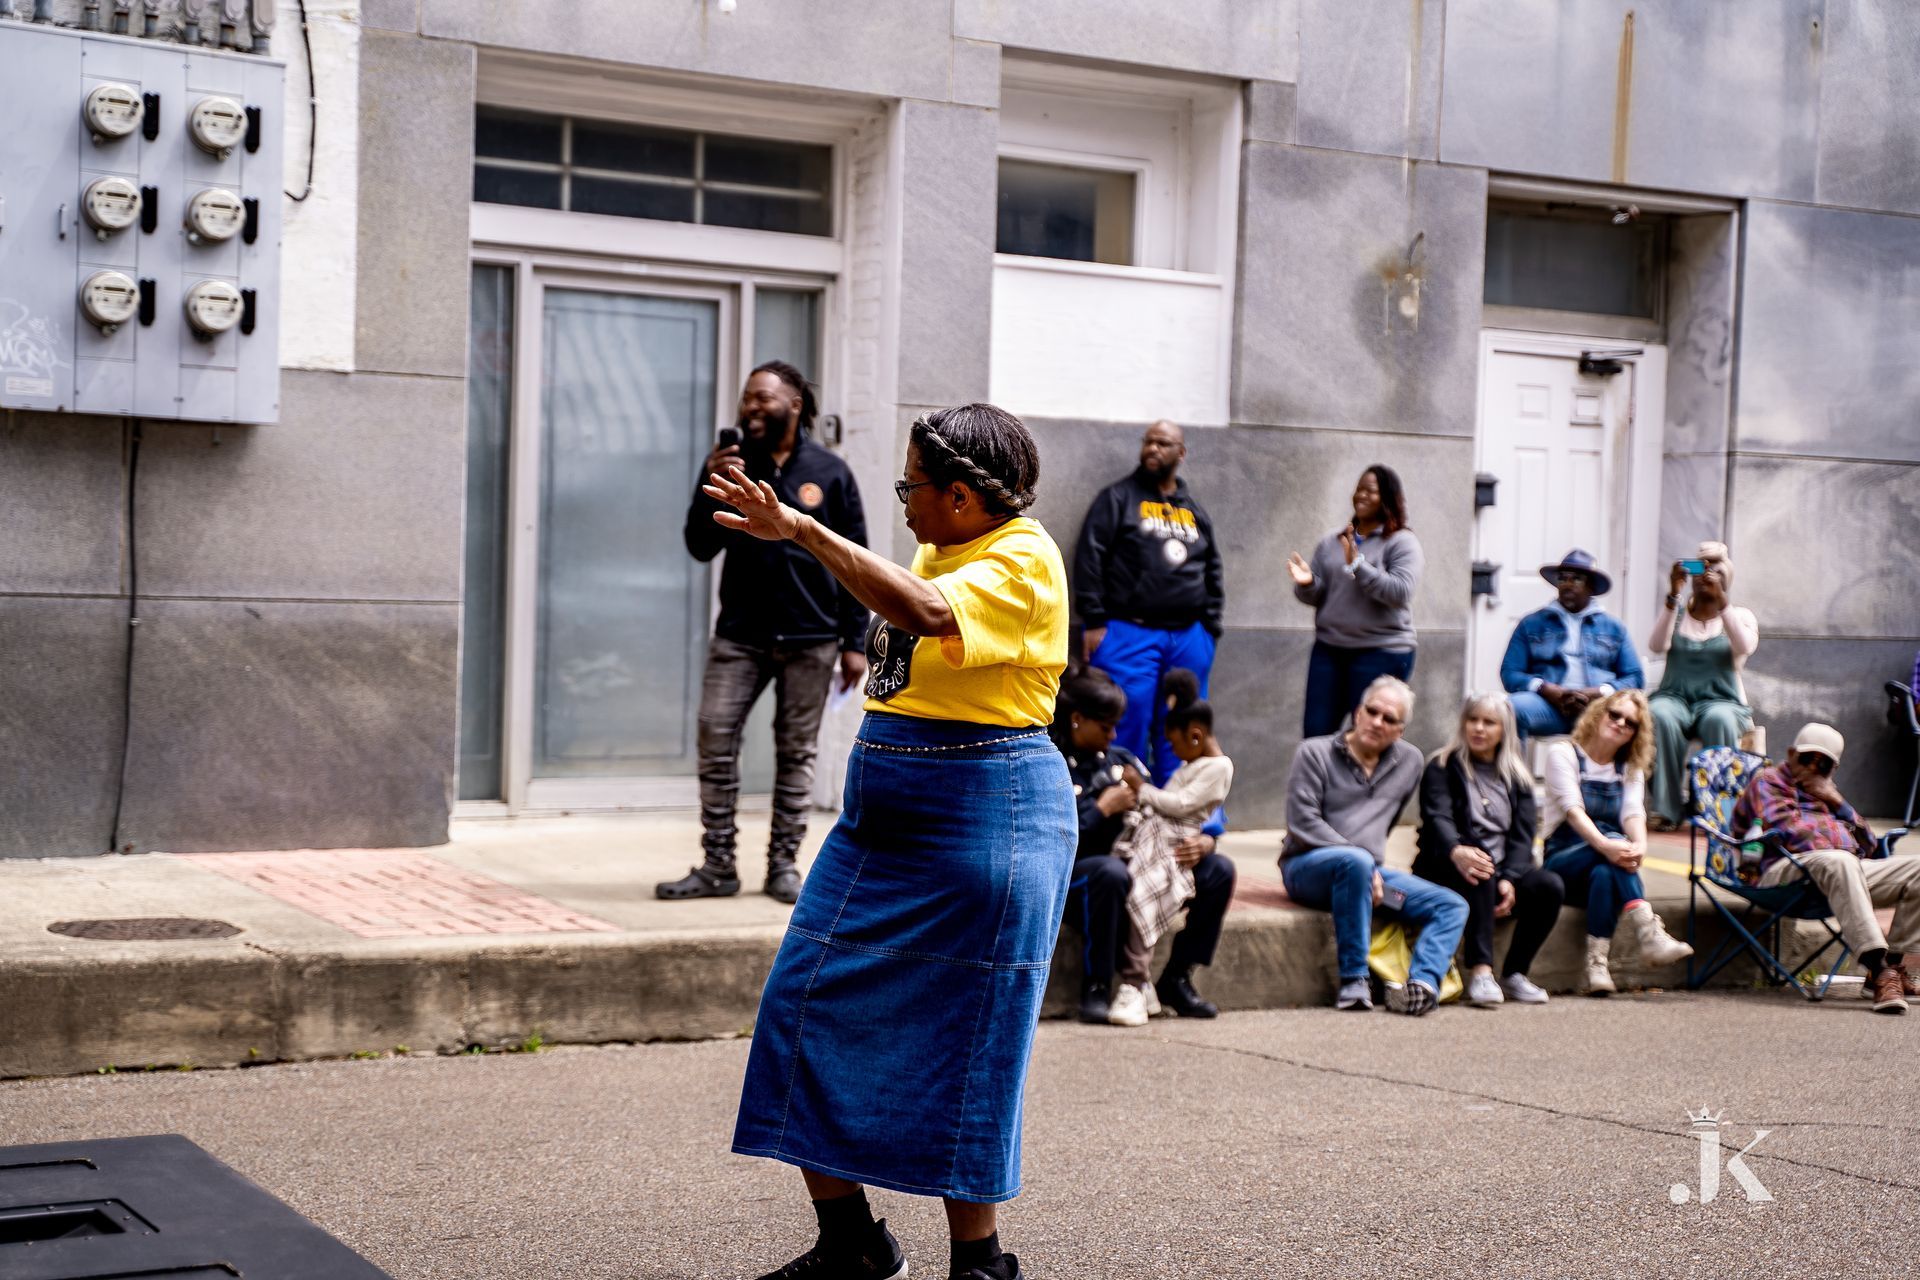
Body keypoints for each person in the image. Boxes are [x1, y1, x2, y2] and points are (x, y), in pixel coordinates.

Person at [712, 403, 1071, 1280]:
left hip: (986, 817)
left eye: (912, 484)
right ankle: (853, 1246)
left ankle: (980, 1262)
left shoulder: (1024, 557)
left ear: (959, 495)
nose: (902, 498)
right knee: (802, 1002)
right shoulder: (941, 541)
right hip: (882, 829)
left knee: (970, 1034)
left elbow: (925, 613)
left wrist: (802, 529)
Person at [663, 361, 869, 905]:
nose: (750, 407)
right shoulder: (732, 467)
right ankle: (718, 865)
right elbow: (699, 546)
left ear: (794, 404)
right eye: (746, 399)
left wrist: (855, 642)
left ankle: (783, 866)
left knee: (796, 753)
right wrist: (710, 487)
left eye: (762, 398)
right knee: (715, 739)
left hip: (812, 637)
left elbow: (853, 561)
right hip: (740, 635)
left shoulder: (831, 472)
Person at [1055, 669, 1233, 1028]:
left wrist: (1205, 842)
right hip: (1083, 876)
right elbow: (1052, 834)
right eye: (1105, 727)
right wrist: (1101, 809)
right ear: (1077, 720)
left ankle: (1177, 978)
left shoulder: (1122, 759)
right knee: (1111, 873)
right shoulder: (1053, 763)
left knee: (1219, 870)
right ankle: (1098, 985)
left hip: (1141, 866)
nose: (1114, 735)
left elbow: (1167, 814)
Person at [1279, 676, 1465, 1016]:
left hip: (1371, 878)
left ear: (1400, 730)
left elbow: (1385, 821)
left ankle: (1422, 984)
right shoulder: (1314, 752)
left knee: (1451, 905)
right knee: (1356, 865)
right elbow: (1302, 823)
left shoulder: (1409, 762)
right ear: (1357, 712)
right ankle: (1354, 980)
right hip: (1306, 868)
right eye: (1372, 711)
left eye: (1389, 718)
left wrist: (1365, 866)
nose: (1377, 722)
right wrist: (1360, 860)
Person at [1074, 420, 1225, 784]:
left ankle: (1182, 814)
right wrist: (1094, 619)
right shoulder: (1118, 499)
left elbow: (1213, 567)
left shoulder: (1193, 510)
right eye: (1149, 442)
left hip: (1188, 637)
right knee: (1123, 723)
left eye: (1164, 443)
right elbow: (1090, 558)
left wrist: (1209, 629)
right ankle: (1120, 812)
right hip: (1129, 632)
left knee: (1183, 727)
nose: (1153, 449)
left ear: (1181, 452)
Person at [1732, 723, 1919, 1015]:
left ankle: (1890, 969)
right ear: (1791, 754)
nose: (1813, 769)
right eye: (1808, 759)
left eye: (1825, 764)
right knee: (1840, 860)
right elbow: (1790, 833)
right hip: (1783, 871)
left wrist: (1838, 802)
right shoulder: (1767, 782)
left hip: (1840, 871)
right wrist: (1840, 841)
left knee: (1916, 868)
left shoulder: (1829, 795)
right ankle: (1879, 969)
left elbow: (1868, 844)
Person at [1414, 693, 1565, 1005]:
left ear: (1504, 730)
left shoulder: (1517, 777)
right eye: (1473, 720)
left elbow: (1524, 836)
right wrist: (1457, 851)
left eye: (1489, 722)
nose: (1479, 728)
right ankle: (1482, 972)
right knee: (1479, 863)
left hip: (1498, 872)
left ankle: (1514, 974)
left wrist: (1510, 877)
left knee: (1549, 886)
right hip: (1448, 864)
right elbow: (1438, 817)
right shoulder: (1441, 766)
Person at [1539, 690, 1693, 995]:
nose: (1621, 723)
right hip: (1563, 862)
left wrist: (1639, 848)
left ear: (1637, 733)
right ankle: (1648, 931)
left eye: (1631, 722)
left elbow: (1634, 814)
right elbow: (1573, 811)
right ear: (1599, 714)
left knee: (1606, 873)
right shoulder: (1564, 754)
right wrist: (1608, 845)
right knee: (1612, 847)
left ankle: (1597, 965)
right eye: (1615, 714)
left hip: (1603, 864)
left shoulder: (1629, 767)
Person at [1110, 671, 1236, 1026]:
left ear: (1194, 736)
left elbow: (1183, 805)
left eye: (1174, 743)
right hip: (1159, 835)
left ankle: (1174, 976)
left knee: (1175, 881)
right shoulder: (1191, 763)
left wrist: (1142, 789)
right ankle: (1140, 982)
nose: (1173, 752)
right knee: (1130, 879)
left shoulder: (1217, 767)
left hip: (1180, 839)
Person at [1288, 465, 1424, 738]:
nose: (1361, 495)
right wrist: (1307, 584)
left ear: (1387, 497)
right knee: (1316, 735)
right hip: (1330, 649)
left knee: (1366, 737)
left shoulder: (1402, 543)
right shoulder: (1332, 541)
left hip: (1381, 651)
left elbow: (1400, 592)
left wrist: (1358, 565)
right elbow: (1318, 595)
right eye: (1358, 489)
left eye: (1370, 491)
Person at [1646, 541, 1758, 830]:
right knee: (1660, 715)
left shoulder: (1740, 616)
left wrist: (1722, 602)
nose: (1703, 577)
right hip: (1676, 696)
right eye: (1699, 570)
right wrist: (1672, 594)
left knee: (1718, 721)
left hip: (1721, 700)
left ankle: (1718, 812)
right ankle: (1666, 809)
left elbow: (1744, 646)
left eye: (1712, 571)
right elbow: (1657, 645)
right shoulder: (1678, 613)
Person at [1500, 549, 1644, 740]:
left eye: (1576, 579)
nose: (1567, 584)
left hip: (1599, 709)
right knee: (1509, 709)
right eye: (1562, 578)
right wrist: (1544, 688)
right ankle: (1514, 770)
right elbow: (1510, 673)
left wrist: (1599, 692)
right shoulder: (1532, 623)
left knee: (1639, 717)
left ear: (1591, 586)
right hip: (1547, 706)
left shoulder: (1614, 627)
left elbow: (1634, 678)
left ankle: (1609, 771)